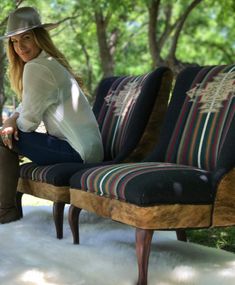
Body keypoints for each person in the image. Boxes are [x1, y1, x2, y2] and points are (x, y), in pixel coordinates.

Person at [0, 7, 104, 224]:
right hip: (86, 150)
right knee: (6, 135)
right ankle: (5, 209)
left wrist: (10, 124)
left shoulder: (38, 68)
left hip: (77, 152)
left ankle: (5, 211)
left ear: (39, 37)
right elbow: (26, 104)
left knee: (3, 138)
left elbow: (27, 124)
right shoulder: (46, 63)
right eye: (14, 41)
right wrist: (11, 120)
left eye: (26, 38)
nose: (20, 46)